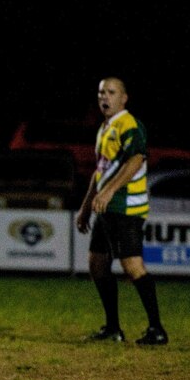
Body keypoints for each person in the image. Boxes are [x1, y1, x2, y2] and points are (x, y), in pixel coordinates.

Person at [75, 77, 167, 345]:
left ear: (124, 98)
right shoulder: (105, 128)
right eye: (101, 92)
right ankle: (113, 329)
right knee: (97, 264)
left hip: (127, 207)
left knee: (132, 265)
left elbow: (137, 158)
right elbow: (99, 171)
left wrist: (110, 191)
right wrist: (85, 208)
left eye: (111, 92)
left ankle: (157, 329)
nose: (105, 97)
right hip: (106, 208)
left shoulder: (129, 124)